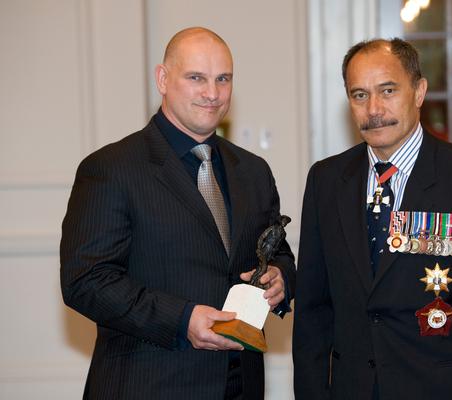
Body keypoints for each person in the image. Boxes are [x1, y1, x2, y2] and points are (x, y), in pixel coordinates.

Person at [60, 27, 295, 400]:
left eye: (223, 79)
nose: (212, 93)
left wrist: (282, 278)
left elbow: (275, 251)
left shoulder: (253, 171)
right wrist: (182, 319)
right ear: (163, 79)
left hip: (240, 385)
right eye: (196, 78)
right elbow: (86, 281)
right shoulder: (111, 168)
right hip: (148, 384)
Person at [292, 38, 452, 400]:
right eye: (359, 95)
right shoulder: (326, 180)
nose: (374, 109)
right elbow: (312, 310)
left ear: (419, 92)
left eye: (387, 90)